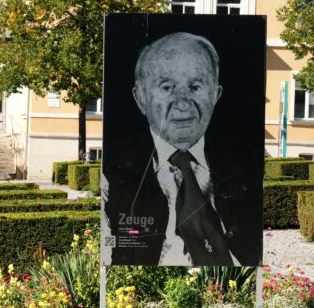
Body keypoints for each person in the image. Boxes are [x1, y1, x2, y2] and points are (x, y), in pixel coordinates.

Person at [103, 32, 259, 267]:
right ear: (140, 98)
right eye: (167, 87)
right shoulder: (110, 169)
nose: (183, 104)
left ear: (215, 95)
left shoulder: (250, 164)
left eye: (195, 87)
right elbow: (108, 255)